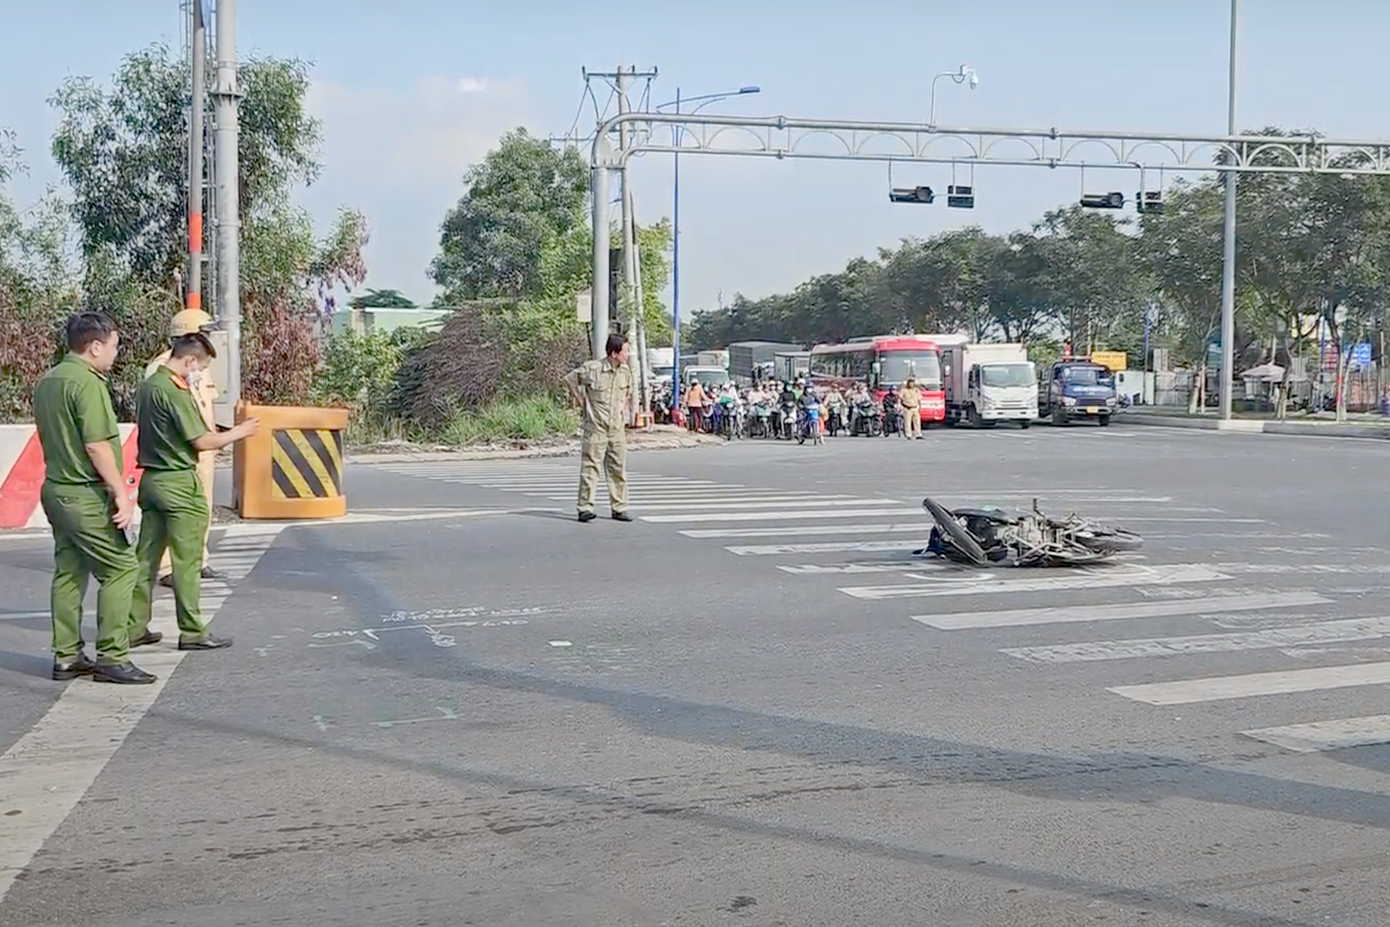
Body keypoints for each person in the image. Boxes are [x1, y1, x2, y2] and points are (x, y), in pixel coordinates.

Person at [32, 312, 151, 684]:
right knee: (121, 567)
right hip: (85, 493)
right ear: (95, 346)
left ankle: (66, 655)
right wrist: (122, 496)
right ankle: (112, 656)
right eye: (114, 346)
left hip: (56, 490)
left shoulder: (48, 381)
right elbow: (98, 446)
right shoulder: (88, 384)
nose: (115, 354)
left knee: (69, 569)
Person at [128, 332, 260, 652]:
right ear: (189, 360)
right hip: (177, 483)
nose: (198, 373)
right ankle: (192, 631)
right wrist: (241, 432)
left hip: (152, 481)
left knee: (145, 560)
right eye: (199, 366)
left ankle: (132, 626)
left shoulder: (148, 386)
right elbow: (202, 440)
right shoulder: (175, 390)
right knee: (187, 563)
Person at [145, 309, 221, 588]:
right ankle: (167, 567)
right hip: (179, 451)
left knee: (202, 508)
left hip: (204, 449)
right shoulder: (162, 368)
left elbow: (207, 404)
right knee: (175, 513)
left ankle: (198, 559)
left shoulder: (200, 366)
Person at [566, 332, 634, 523]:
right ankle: (585, 507)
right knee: (590, 467)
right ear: (614, 353)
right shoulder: (592, 369)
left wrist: (623, 408)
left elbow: (627, 390)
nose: (627, 355)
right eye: (625, 351)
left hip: (616, 429)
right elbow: (570, 379)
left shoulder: (625, 371)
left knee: (618, 468)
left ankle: (619, 507)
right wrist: (580, 400)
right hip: (595, 427)